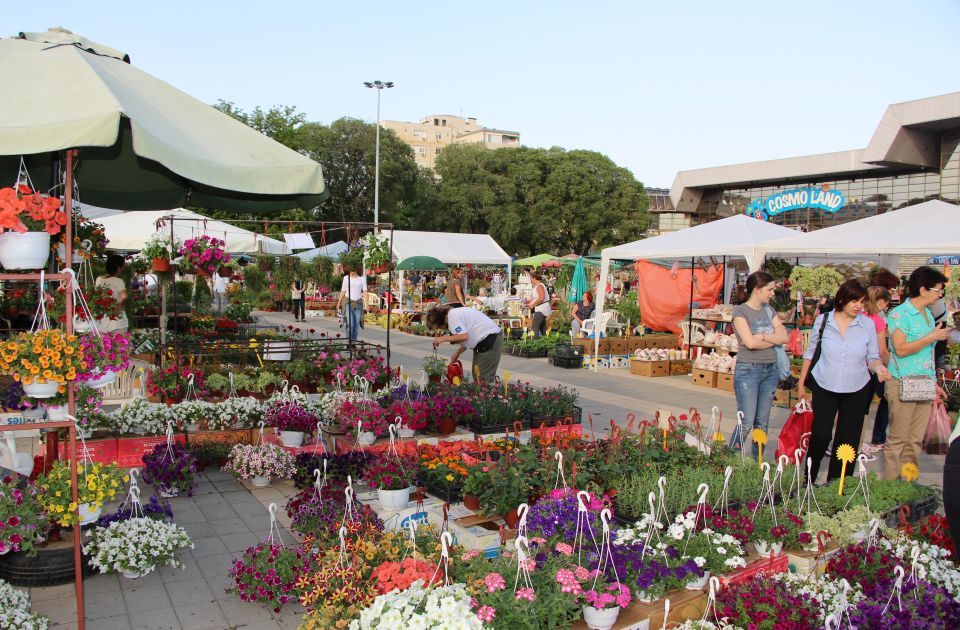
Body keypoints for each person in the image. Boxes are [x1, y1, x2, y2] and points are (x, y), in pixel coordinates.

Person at [797, 280, 890, 482]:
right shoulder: (823, 321)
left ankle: (838, 486)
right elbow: (811, 353)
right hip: (824, 384)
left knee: (847, 441)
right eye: (854, 301)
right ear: (841, 299)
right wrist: (801, 382)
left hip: (857, 387)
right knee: (820, 435)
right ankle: (807, 479)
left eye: (862, 302)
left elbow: (873, 356)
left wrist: (879, 368)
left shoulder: (867, 325)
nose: (859, 306)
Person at [883, 265, 952, 480]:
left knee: (915, 440)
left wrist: (933, 383)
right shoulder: (900, 314)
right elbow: (901, 349)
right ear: (923, 290)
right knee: (898, 439)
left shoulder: (928, 315)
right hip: (902, 380)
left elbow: (926, 357)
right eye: (938, 290)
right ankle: (891, 489)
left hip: (923, 381)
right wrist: (932, 337)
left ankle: (908, 485)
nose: (940, 294)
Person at [728, 270, 788, 458]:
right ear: (757, 289)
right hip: (749, 370)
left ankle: (757, 463)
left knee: (762, 423)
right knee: (745, 422)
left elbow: (784, 337)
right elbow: (750, 343)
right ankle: (727, 461)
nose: (772, 293)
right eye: (769, 289)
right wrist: (773, 338)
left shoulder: (769, 310)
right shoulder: (740, 311)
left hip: (770, 369)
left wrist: (762, 336)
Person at [428, 305, 503, 384]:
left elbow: (464, 336)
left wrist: (442, 339)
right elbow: (469, 335)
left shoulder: (452, 317)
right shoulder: (454, 314)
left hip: (490, 341)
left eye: (439, 327)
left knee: (482, 379)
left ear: (442, 320)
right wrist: (458, 353)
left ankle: (487, 395)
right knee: (477, 376)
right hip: (485, 342)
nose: (441, 329)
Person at [862, 286, 892, 460]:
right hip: (873, 368)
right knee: (886, 399)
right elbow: (882, 350)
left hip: (856, 367)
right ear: (881, 302)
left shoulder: (857, 315)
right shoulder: (877, 320)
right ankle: (876, 440)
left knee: (856, 408)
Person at [95, 254, 129, 333]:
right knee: (120, 344)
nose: (123, 269)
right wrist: (119, 306)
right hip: (118, 322)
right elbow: (124, 296)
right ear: (118, 267)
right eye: (123, 266)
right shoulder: (118, 281)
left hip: (103, 321)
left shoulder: (99, 279)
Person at [337, 267, 367, 343]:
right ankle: (349, 342)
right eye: (350, 270)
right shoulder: (346, 278)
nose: (351, 271)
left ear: (357, 269)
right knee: (350, 323)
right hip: (347, 302)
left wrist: (367, 304)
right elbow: (343, 290)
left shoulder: (362, 278)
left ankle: (353, 343)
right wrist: (339, 302)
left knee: (356, 325)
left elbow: (365, 291)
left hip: (358, 303)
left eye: (353, 269)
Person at [526, 271, 552, 338]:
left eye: (531, 278)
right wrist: (530, 303)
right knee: (543, 328)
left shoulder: (540, 286)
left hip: (541, 309)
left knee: (535, 327)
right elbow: (537, 298)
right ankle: (548, 343)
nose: (530, 280)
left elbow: (541, 298)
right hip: (541, 308)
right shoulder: (538, 286)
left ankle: (535, 345)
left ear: (534, 278)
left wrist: (532, 305)